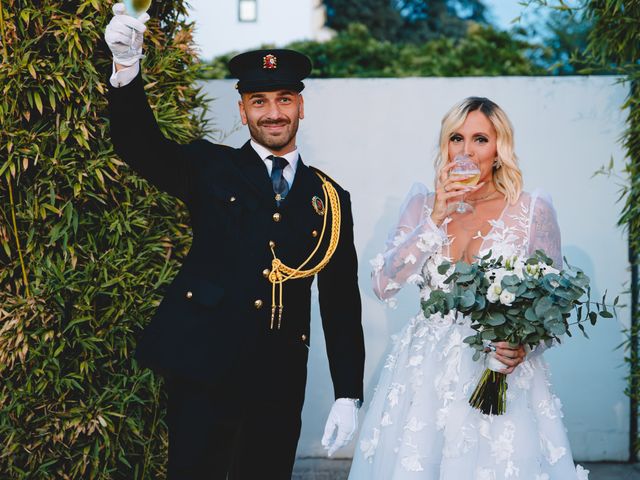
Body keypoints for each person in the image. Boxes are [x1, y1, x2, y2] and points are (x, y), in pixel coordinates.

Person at [104, 4, 364, 479]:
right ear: (242, 109)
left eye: (284, 99)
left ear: (301, 106)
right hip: (204, 367)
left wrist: (349, 391)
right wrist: (127, 69)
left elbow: (341, 302)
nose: (273, 113)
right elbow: (139, 146)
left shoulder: (330, 198)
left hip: (279, 378)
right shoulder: (210, 167)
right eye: (260, 101)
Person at [348, 97, 589, 479]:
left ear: (499, 149)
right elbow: (383, 285)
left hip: (498, 374)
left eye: (480, 139)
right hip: (423, 379)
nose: (466, 151)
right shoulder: (422, 206)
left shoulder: (531, 211)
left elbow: (552, 308)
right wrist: (436, 216)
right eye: (456, 138)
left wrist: (524, 346)